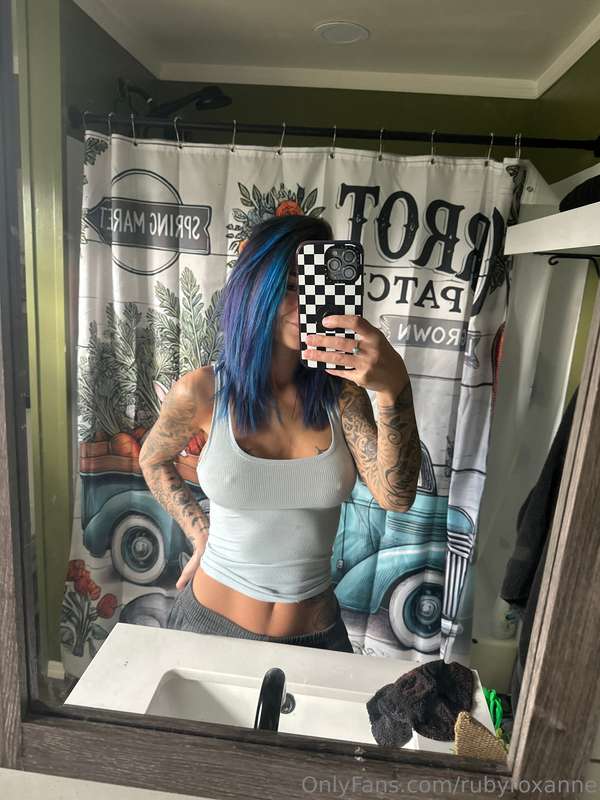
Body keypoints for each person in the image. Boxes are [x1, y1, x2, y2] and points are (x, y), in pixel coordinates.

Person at [139, 214, 420, 652]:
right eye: (290, 285)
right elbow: (152, 459)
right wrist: (199, 532)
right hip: (207, 628)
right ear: (256, 286)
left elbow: (395, 496)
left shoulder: (342, 395)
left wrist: (392, 388)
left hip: (317, 640)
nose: (306, 301)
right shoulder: (202, 391)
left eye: (317, 283)